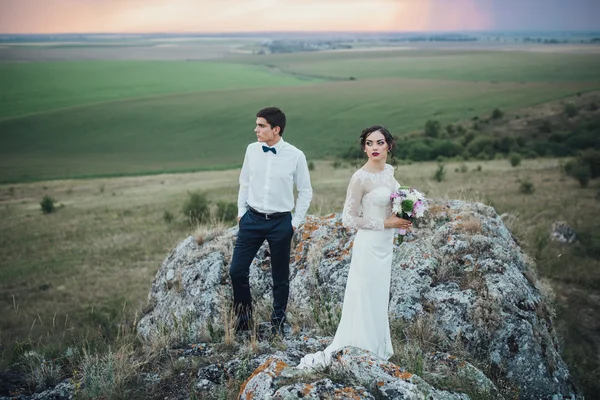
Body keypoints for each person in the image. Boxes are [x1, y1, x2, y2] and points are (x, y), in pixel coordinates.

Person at [297, 125, 411, 369]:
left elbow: (391, 205)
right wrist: (386, 222)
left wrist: (402, 218)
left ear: (389, 146)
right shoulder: (359, 178)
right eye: (369, 143)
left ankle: (378, 347)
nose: (374, 148)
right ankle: (361, 347)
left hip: (386, 245)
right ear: (364, 148)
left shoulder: (389, 172)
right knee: (365, 294)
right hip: (369, 244)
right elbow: (347, 220)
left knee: (379, 295)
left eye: (380, 143)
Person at [230, 107, 313, 337]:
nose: (256, 129)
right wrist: (241, 212)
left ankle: (278, 323)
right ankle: (244, 322)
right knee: (236, 271)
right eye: (257, 124)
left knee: (280, 277)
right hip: (252, 219)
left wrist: (295, 222)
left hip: (281, 223)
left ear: (276, 129)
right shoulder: (251, 150)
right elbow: (244, 182)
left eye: (261, 125)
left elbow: (305, 191)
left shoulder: (296, 155)